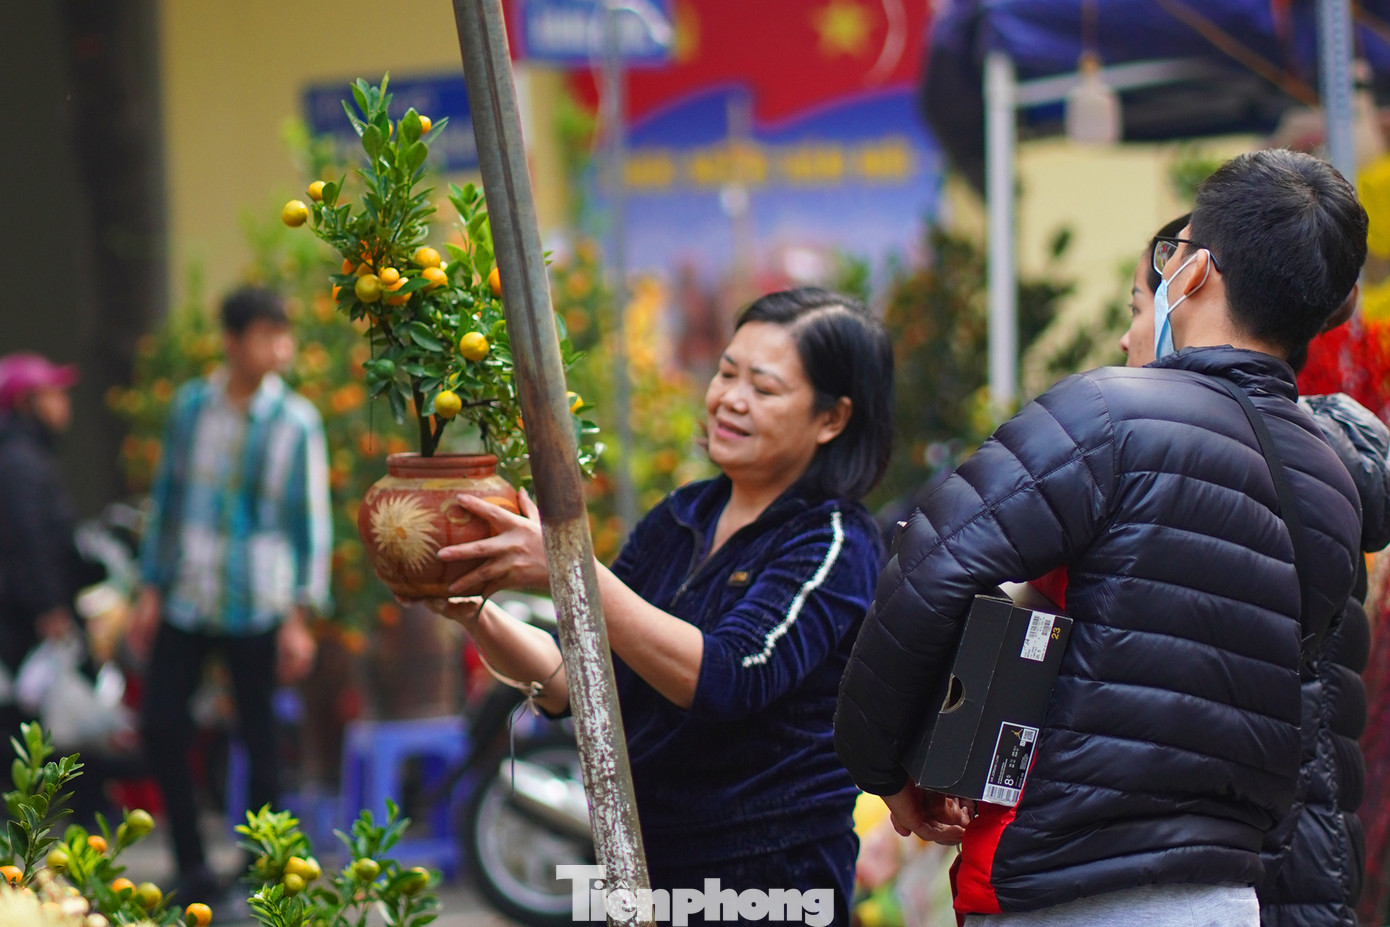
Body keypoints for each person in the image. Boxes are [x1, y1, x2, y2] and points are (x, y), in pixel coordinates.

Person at [835, 147, 1369, 927]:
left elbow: (929, 567)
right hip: (1227, 895)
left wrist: (883, 762)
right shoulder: (1330, 480)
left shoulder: (1109, 417)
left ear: (1194, 270)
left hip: (1072, 886)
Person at [422, 287, 894, 924]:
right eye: (726, 372)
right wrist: (473, 610)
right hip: (647, 874)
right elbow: (578, 681)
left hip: (771, 887)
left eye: (764, 387)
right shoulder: (681, 517)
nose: (730, 398)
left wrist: (570, 568)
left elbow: (731, 677)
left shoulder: (834, 541)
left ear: (832, 419)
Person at [1124, 216, 1390, 927]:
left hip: (1223, 861)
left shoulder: (1216, 463)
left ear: (1197, 290)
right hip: (1295, 848)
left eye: (1137, 308)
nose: (1126, 338)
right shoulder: (1318, 463)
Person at [129, 286, 330, 901]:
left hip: (260, 601)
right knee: (161, 724)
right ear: (232, 341)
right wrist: (150, 590)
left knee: (261, 738)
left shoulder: (297, 421)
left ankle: (264, 871)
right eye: (268, 334)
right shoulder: (191, 407)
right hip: (189, 591)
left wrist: (300, 615)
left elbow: (309, 521)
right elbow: (166, 499)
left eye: (283, 333)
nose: (281, 347)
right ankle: (191, 864)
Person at [0, 353, 100, 748]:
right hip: (27, 619)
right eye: (52, 394)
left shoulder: (28, 455)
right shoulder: (19, 462)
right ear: (26, 402)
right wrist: (49, 607)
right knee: (33, 730)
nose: (64, 403)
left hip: (31, 611)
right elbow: (27, 541)